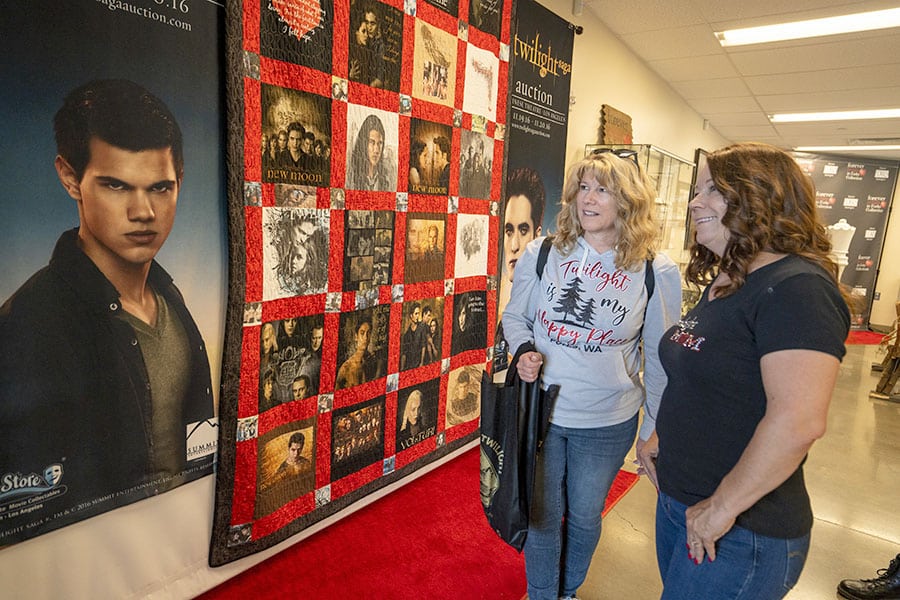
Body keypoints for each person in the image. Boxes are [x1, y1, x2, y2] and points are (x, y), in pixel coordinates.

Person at [0, 79, 216, 538]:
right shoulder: (27, 324)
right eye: (117, 186)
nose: (144, 212)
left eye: (161, 187)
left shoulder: (173, 304)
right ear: (69, 178)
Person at [639, 142, 851, 600]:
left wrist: (720, 507)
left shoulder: (797, 289)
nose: (696, 202)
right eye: (698, 191)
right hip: (684, 503)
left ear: (762, 196)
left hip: (741, 529)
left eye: (714, 190)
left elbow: (797, 421)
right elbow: (710, 373)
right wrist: (662, 438)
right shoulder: (731, 278)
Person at [502, 150, 682, 600]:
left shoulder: (655, 271)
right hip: (542, 411)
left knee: (583, 516)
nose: (589, 199)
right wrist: (523, 349)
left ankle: (568, 590)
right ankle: (544, 595)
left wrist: (654, 429)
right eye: (583, 187)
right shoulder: (544, 252)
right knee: (542, 515)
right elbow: (515, 317)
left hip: (607, 421)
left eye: (603, 189)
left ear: (627, 201)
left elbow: (660, 359)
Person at [348, 114, 390, 191]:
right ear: (363, 144)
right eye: (372, 142)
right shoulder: (352, 174)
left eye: (380, 143)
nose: (376, 150)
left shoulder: (385, 178)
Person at [336, 317, 378, 389]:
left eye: (368, 333)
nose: (365, 337)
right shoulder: (346, 367)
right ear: (356, 337)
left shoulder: (373, 362)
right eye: (362, 333)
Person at [400, 302, 426, 371]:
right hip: (409, 364)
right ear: (411, 315)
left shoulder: (422, 326)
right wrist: (402, 368)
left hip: (418, 363)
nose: (417, 316)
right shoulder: (407, 333)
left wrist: (422, 362)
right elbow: (404, 353)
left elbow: (423, 346)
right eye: (416, 314)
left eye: (418, 313)